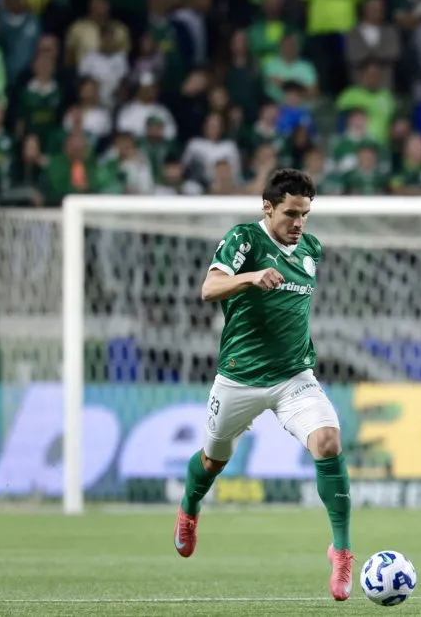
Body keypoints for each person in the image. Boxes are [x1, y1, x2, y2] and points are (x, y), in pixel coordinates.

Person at [173, 169, 353, 601]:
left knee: (328, 441)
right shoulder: (244, 240)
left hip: (294, 377)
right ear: (268, 208)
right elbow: (209, 287)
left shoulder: (310, 249)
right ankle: (189, 509)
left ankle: (342, 551)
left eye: (305, 214)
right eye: (291, 213)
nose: (299, 223)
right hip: (238, 378)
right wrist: (250, 277)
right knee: (213, 461)